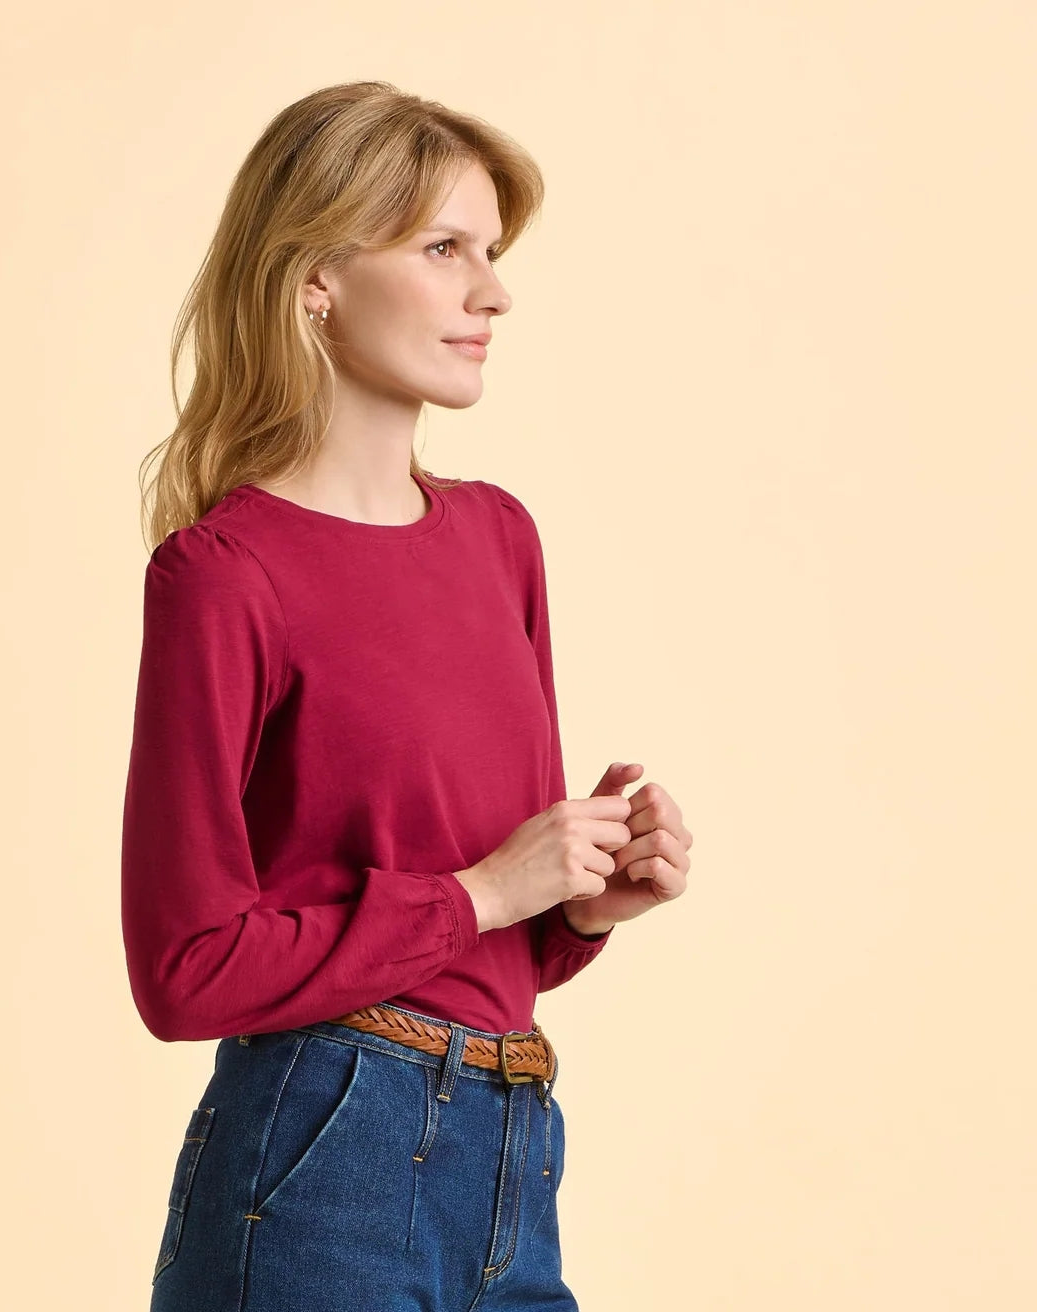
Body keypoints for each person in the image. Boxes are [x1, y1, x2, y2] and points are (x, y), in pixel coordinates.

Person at [120, 79, 693, 1311]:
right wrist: (490, 886)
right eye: (444, 249)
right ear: (314, 277)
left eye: (490, 253)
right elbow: (185, 967)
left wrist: (581, 905)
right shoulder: (226, 575)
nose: (492, 292)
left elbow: (491, 954)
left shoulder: (498, 539)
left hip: (512, 1150)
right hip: (325, 1160)